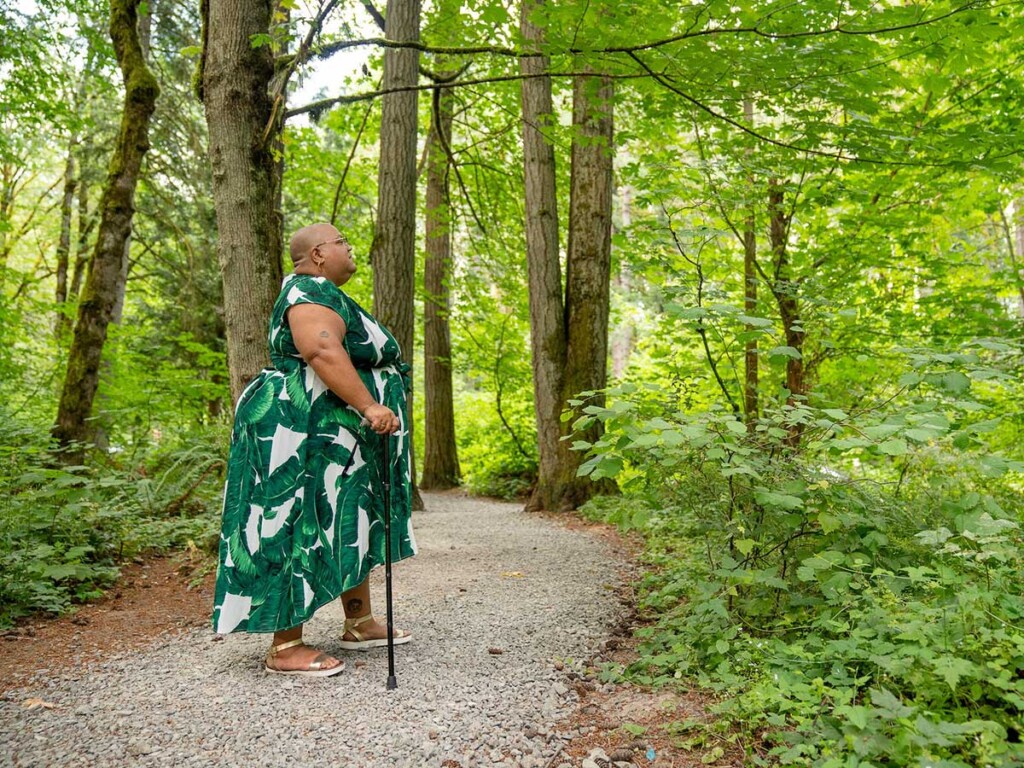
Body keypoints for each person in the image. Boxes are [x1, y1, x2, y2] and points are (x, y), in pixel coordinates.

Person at [211, 222, 415, 677]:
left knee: (349, 518)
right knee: (299, 520)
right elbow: (320, 349)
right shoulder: (307, 291)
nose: (350, 246)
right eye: (341, 241)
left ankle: (359, 622)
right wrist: (369, 405)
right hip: (304, 431)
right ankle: (285, 647)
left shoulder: (322, 291)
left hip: (333, 432)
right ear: (319, 253)